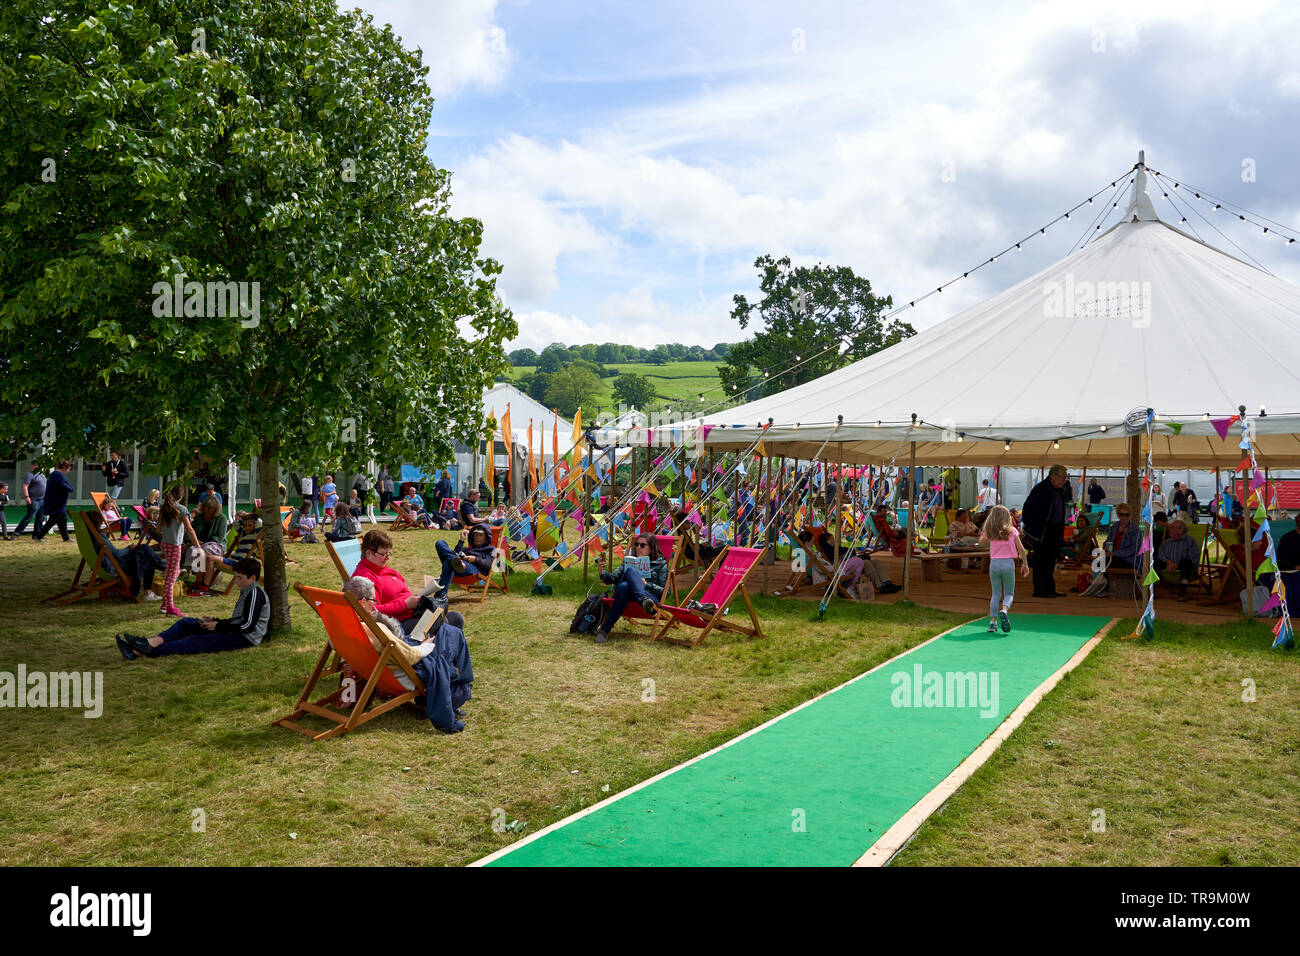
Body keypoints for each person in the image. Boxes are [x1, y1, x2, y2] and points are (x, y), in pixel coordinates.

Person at [343, 576, 474, 732]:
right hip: (405, 670)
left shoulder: (343, 626)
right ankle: (460, 692)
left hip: (384, 668)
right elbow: (410, 656)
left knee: (444, 630)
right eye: (373, 600)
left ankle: (459, 688)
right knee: (452, 633)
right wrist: (425, 646)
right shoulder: (374, 630)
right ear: (362, 602)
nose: (375, 604)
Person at [115, 557, 269, 658]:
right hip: (232, 630)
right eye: (236, 577)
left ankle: (139, 651)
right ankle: (149, 643)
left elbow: (248, 626)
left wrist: (218, 626)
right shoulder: (247, 591)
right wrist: (216, 621)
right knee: (186, 623)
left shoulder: (255, 593)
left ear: (252, 578)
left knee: (193, 641)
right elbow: (240, 620)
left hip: (243, 638)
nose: (236, 581)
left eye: (239, 578)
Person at [592, 534, 667, 644]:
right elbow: (612, 578)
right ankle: (643, 599)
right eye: (636, 544)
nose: (638, 548)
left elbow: (665, 592)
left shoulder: (661, 565)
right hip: (636, 600)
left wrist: (648, 585)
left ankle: (604, 631)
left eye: (642, 545)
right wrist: (601, 571)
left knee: (624, 586)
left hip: (651, 600)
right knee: (629, 575)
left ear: (651, 548)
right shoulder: (630, 561)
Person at [1020, 464, 1071, 598]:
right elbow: (1027, 511)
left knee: (1050, 561)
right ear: (1053, 476)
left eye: (1066, 477)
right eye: (1063, 477)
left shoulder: (1059, 490)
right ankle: (1040, 590)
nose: (1065, 480)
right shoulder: (1041, 489)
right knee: (1041, 560)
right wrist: (1034, 529)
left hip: (1054, 531)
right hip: (1042, 532)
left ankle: (1049, 589)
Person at [979, 505, 1029, 632]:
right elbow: (1022, 550)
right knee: (1009, 593)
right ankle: (1004, 610)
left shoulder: (990, 531)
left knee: (995, 593)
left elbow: (980, 542)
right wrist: (1025, 564)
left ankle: (992, 622)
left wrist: (985, 533)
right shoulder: (1012, 531)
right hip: (1008, 563)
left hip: (994, 564)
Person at [155, 485, 203, 616]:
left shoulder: (164, 508)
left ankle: (165, 605)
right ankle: (170, 608)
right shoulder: (182, 509)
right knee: (171, 578)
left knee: (173, 572)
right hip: (175, 545)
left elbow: (158, 530)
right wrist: (198, 545)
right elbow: (189, 529)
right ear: (181, 496)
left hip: (165, 543)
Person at [193, 511, 261, 594]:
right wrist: (244, 519)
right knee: (204, 556)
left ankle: (204, 588)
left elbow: (261, 523)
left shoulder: (256, 534)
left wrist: (251, 517)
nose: (246, 528)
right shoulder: (243, 533)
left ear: (255, 525)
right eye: (245, 525)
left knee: (210, 558)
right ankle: (197, 584)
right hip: (234, 560)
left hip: (240, 564)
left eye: (250, 525)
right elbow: (235, 523)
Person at [430, 524, 496, 600]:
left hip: (475, 570)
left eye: (480, 535)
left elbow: (489, 565)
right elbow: (456, 552)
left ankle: (440, 595)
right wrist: (461, 540)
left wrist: (475, 559)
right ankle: (457, 562)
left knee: (450, 559)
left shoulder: (491, 549)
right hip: (458, 566)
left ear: (486, 537)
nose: (477, 537)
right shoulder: (467, 549)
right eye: (476, 535)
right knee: (440, 543)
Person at [1155, 519, 1199, 600]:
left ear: (1180, 530)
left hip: (1184, 568)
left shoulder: (1190, 541)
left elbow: (1194, 558)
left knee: (1186, 562)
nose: (1169, 529)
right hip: (1168, 566)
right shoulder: (1167, 542)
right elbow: (1160, 554)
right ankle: (1153, 589)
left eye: (1172, 527)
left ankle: (1182, 592)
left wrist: (1177, 565)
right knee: (1155, 561)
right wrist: (1168, 562)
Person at [34, 461, 75, 543]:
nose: (68, 471)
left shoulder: (54, 474)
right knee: (52, 520)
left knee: (63, 519)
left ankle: (66, 538)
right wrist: (70, 489)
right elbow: (62, 485)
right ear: (65, 468)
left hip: (56, 502)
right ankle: (39, 536)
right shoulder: (58, 475)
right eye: (68, 469)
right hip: (57, 502)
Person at [1103, 504, 1141, 569]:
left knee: (1103, 563)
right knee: (1098, 561)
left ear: (1130, 515)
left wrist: (1114, 553)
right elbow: (1108, 541)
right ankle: (1103, 579)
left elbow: (1134, 549)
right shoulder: (1114, 527)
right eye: (1121, 514)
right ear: (1118, 515)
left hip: (1128, 560)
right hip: (1112, 557)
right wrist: (1105, 548)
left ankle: (1105, 579)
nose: (1124, 517)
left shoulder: (1135, 530)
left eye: (1127, 514)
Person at [14, 465, 46, 538]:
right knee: (29, 517)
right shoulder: (30, 474)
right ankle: (16, 533)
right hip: (34, 499)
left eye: (38, 465)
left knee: (41, 518)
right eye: (34, 465)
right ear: (31, 466)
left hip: (43, 500)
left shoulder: (42, 474)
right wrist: (27, 497)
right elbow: (25, 486)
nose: (36, 466)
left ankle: (37, 535)